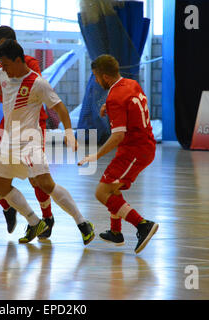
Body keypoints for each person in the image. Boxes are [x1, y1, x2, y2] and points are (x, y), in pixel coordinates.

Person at [0, 40, 95, 245]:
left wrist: (69, 133)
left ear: (18, 60)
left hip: (29, 142)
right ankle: (35, 221)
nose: (4, 69)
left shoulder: (37, 83)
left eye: (7, 64)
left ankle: (82, 223)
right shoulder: (2, 74)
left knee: (45, 184)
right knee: (0, 186)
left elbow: (60, 108)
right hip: (9, 141)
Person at [0, 26, 55, 238]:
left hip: (32, 126)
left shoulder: (29, 64)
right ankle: (8, 207)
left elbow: (37, 90)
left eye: (2, 50)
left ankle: (47, 218)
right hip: (8, 127)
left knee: (36, 179)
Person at [78, 54, 158, 254]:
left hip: (135, 150)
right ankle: (115, 232)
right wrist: (110, 107)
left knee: (101, 192)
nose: (96, 81)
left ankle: (142, 225)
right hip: (141, 147)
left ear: (104, 77)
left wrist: (95, 155)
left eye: (96, 77)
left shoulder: (114, 96)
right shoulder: (130, 84)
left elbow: (118, 136)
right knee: (113, 186)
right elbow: (130, 105)